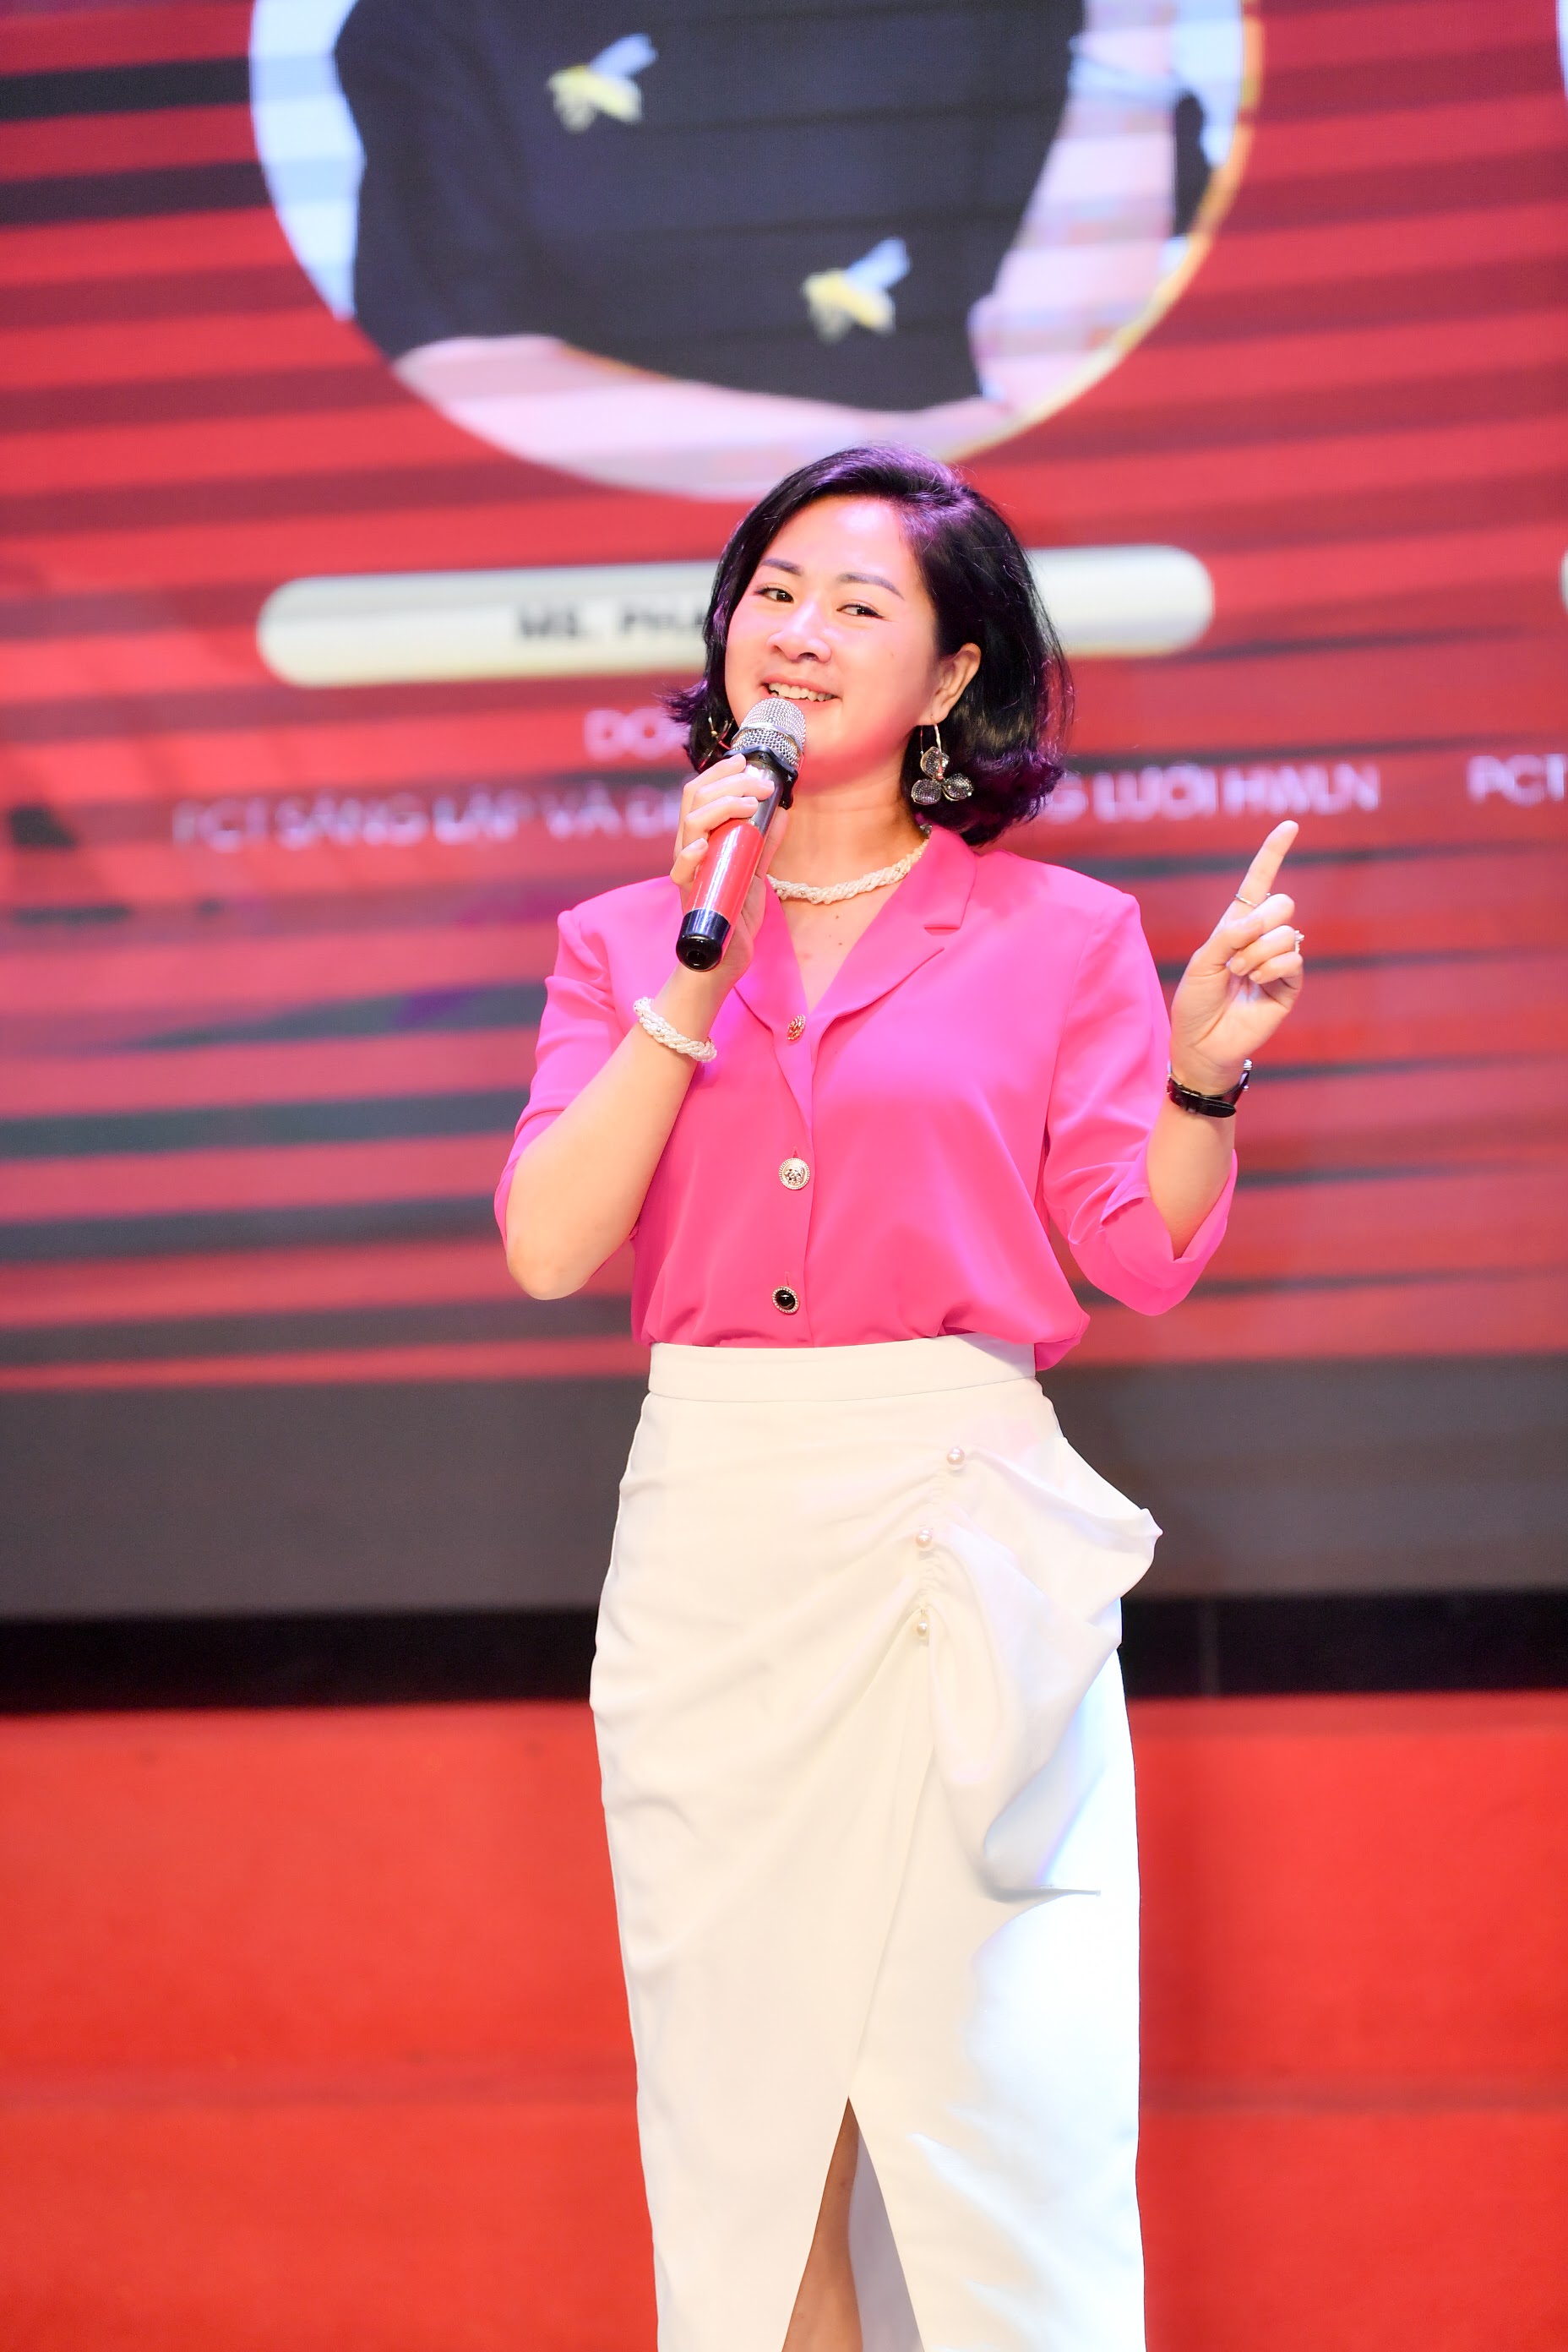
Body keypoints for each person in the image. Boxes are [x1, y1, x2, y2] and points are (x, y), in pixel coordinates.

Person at [496, 445, 1304, 2352]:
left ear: (950, 676)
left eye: (860, 605)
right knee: (749, 2118)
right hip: (719, 1544)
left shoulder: (1063, 937)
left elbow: (1137, 1251)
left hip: (955, 1520)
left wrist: (1200, 1078)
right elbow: (550, 1242)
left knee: (988, 2090)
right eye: (774, 592)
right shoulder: (625, 937)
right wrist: (697, 955)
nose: (800, 631)